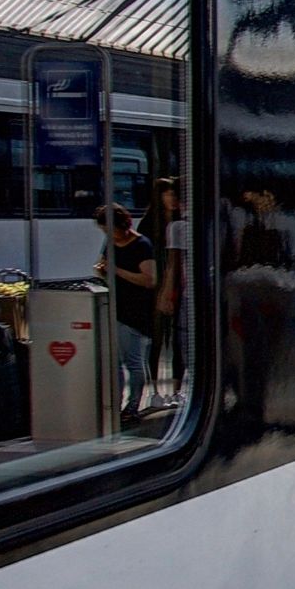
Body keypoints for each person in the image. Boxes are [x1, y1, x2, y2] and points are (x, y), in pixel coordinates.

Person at [94, 205, 156, 422]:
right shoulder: (110, 244)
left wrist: (116, 271)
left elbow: (149, 280)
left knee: (133, 360)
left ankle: (133, 406)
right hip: (116, 305)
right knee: (117, 360)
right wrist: (103, 272)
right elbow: (105, 268)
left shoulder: (142, 245)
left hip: (135, 309)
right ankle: (116, 404)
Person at [150, 178, 190, 409]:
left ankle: (179, 389)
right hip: (195, 292)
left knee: (182, 340)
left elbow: (174, 265)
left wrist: (165, 293)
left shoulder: (176, 227)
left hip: (186, 293)